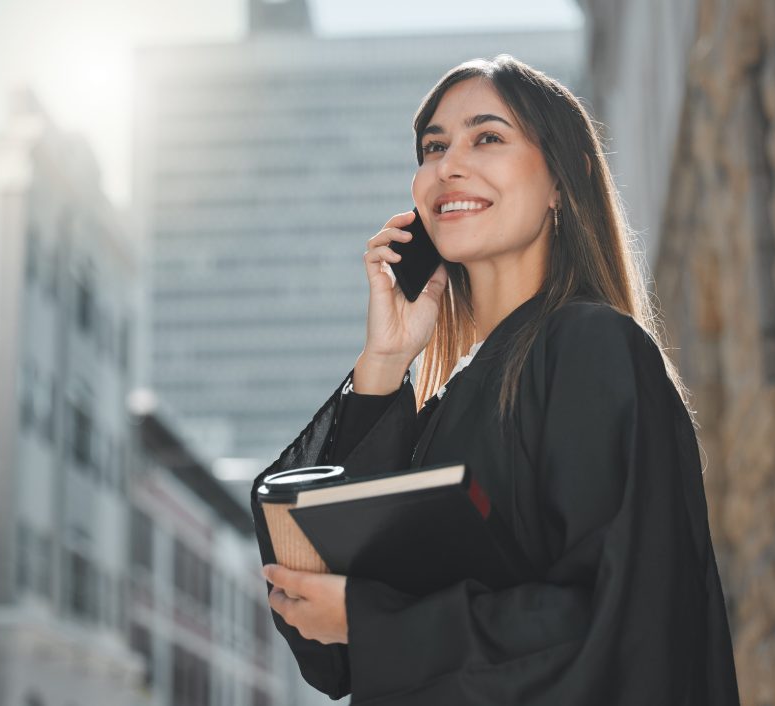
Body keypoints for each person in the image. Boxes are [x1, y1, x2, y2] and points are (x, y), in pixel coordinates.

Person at [250, 54, 741, 705]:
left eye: (487, 137)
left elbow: (617, 621)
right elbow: (323, 646)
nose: (448, 164)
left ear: (562, 179)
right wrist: (384, 361)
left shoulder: (595, 350)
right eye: (433, 147)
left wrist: (374, 623)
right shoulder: (441, 405)